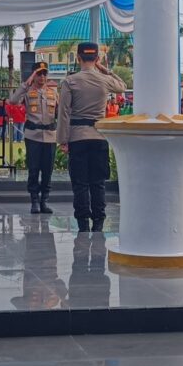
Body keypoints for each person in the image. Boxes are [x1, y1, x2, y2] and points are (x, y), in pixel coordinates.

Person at [56, 43, 126, 233]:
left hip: (78, 137)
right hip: (99, 137)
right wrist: (105, 70)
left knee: (80, 183)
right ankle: (99, 220)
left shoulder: (70, 81)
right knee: (98, 182)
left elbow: (63, 113)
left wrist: (63, 140)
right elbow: (123, 86)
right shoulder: (104, 80)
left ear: (78, 58)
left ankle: (82, 222)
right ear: (97, 59)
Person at [9, 61, 58, 214]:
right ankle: (34, 201)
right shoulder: (28, 92)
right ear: (34, 75)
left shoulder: (53, 93)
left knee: (47, 170)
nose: (42, 77)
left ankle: (44, 200)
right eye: (39, 73)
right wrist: (26, 83)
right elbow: (13, 100)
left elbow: (62, 113)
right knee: (34, 169)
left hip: (50, 136)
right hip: (33, 136)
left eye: (44, 74)